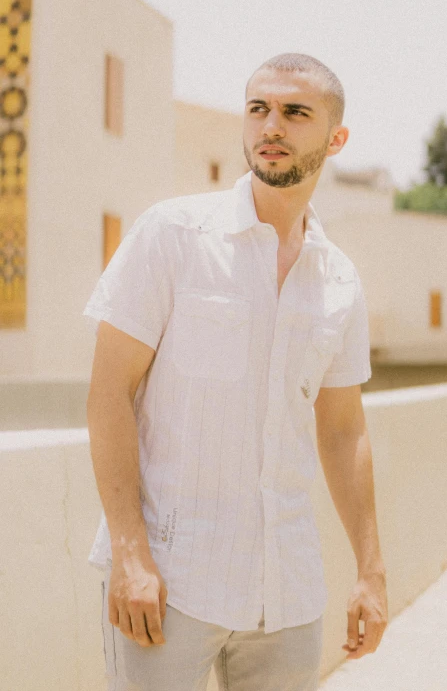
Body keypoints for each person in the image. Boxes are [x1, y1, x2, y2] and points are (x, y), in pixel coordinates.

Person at [84, 52, 388, 691]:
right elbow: (109, 391)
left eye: (295, 113)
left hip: (288, 589)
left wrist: (370, 570)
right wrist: (130, 554)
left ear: (336, 140)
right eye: (258, 109)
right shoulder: (173, 236)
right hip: (169, 582)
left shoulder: (339, 280)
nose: (270, 126)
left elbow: (342, 430)